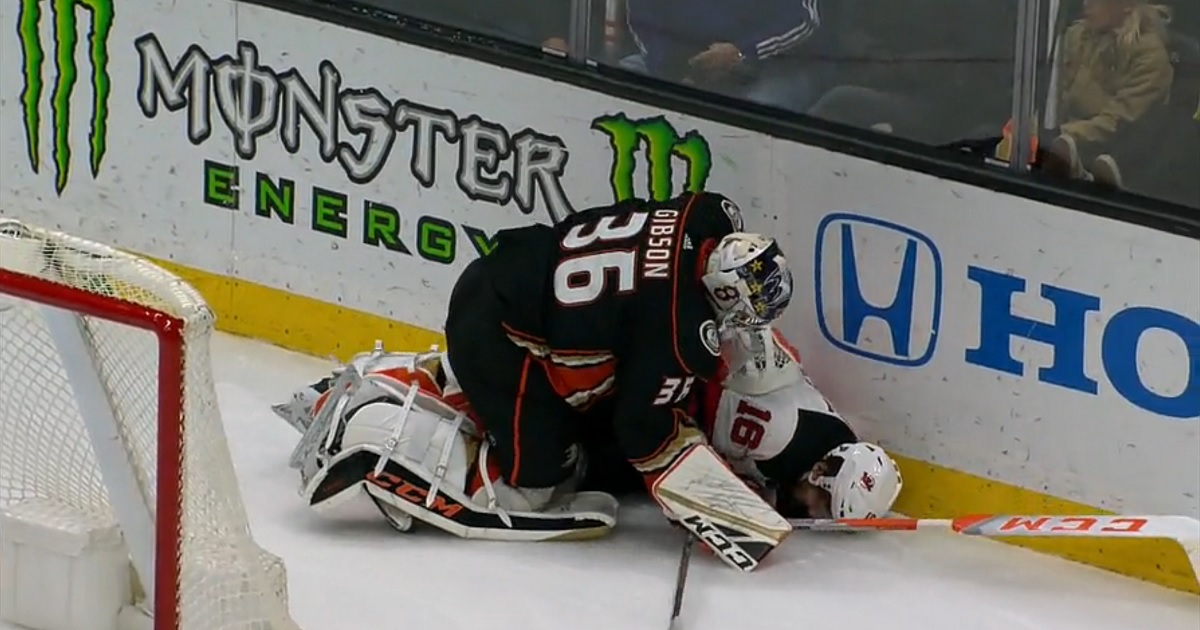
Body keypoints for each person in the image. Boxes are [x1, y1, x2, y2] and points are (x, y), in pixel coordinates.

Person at [276, 192, 799, 572]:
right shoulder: (683, 333)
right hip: (503, 335)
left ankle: (422, 378)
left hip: (509, 279)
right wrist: (705, 500)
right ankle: (381, 428)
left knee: (584, 407)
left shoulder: (702, 214)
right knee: (536, 488)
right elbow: (643, 429)